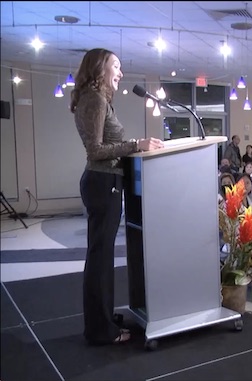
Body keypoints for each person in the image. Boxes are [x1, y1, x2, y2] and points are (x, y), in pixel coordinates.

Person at [72, 48, 164, 345]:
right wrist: (136, 144)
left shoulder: (97, 99)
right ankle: (100, 331)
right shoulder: (95, 100)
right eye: (117, 66)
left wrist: (133, 146)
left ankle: (103, 319)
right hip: (102, 183)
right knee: (100, 258)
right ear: (100, 68)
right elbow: (96, 151)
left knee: (102, 256)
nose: (121, 73)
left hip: (106, 182)